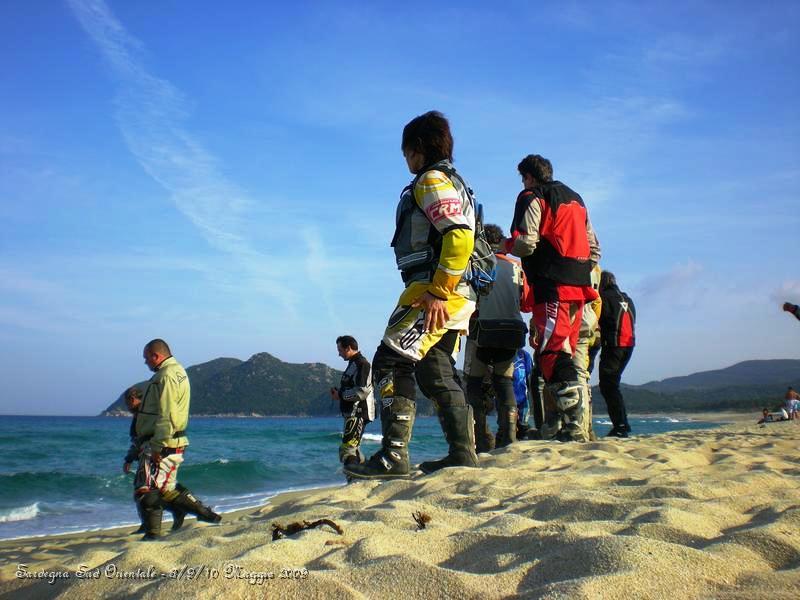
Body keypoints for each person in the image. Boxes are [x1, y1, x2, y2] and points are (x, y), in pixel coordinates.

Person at [344, 111, 479, 480]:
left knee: (390, 362)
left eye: (406, 152)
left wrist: (438, 290)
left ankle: (393, 456)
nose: (405, 159)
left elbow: (460, 236)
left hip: (435, 291)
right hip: (460, 293)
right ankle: (462, 452)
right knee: (435, 369)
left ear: (418, 149)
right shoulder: (458, 183)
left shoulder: (431, 180)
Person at [504, 154, 601, 442]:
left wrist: (504, 244)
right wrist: (580, 269)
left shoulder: (532, 196)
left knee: (551, 354)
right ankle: (568, 424)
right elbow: (594, 249)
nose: (523, 182)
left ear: (529, 177)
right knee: (565, 353)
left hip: (552, 286)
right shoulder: (577, 199)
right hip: (579, 287)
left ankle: (573, 427)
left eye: (523, 177)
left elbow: (525, 242)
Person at [135, 339, 221, 540]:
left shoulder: (165, 376)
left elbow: (167, 413)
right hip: (171, 440)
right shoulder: (179, 372)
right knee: (164, 488)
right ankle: (202, 513)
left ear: (156, 356)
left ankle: (153, 535)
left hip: (164, 441)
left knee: (148, 490)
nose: (145, 362)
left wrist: (157, 445)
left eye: (146, 358)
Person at [464, 223, 533, 451]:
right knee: (504, 383)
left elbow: (469, 300)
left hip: (483, 329)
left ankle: (482, 437)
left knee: (473, 383)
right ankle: (508, 435)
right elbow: (526, 303)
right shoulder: (518, 267)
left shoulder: (477, 265)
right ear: (503, 241)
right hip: (512, 330)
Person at [597, 271, 636, 437]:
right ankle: (623, 423)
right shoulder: (628, 299)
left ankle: (620, 425)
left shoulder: (604, 298)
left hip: (614, 344)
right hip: (629, 344)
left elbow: (598, 319)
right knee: (613, 384)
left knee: (608, 385)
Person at [330, 335, 375, 465]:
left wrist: (341, 395)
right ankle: (363, 472)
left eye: (340, 350)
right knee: (352, 448)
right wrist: (339, 393)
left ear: (348, 348)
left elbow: (362, 391)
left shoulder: (362, 364)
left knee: (348, 449)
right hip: (352, 413)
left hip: (358, 413)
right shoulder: (353, 364)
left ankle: (355, 478)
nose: (339, 354)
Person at [512, 348, 534, 439]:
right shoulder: (499, 354)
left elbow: (530, 377)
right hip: (507, 400)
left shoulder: (524, 355)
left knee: (523, 426)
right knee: (508, 428)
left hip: (523, 400)